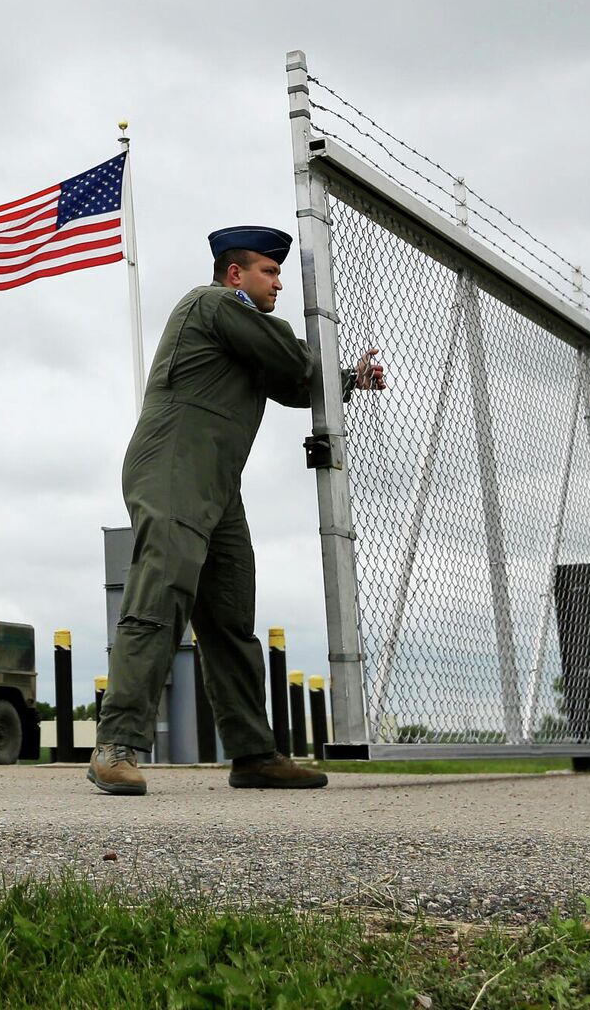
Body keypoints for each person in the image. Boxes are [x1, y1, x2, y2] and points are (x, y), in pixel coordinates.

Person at [89, 225, 385, 794]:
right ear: (235, 275)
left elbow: (297, 383)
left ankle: (253, 754)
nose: (277, 283)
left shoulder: (246, 335)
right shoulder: (214, 304)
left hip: (218, 487)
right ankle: (116, 745)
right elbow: (292, 360)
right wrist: (322, 366)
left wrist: (346, 379)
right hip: (173, 471)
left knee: (229, 619)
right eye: (269, 272)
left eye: (278, 273)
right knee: (161, 595)